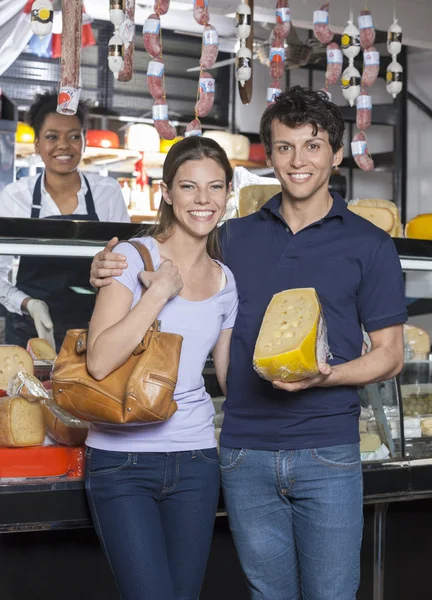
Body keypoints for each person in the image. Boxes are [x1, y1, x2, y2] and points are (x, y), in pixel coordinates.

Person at [89, 87, 407, 600]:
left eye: (313, 145)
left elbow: (391, 356)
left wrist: (328, 373)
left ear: (337, 155)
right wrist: (110, 265)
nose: (298, 161)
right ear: (270, 156)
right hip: (242, 454)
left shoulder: (370, 245)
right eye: (284, 147)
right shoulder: (231, 238)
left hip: (327, 453)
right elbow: (171, 251)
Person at [84, 136, 238, 600]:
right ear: (166, 193)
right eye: (189, 187)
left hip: (196, 460)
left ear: (228, 193)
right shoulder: (131, 258)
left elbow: (231, 382)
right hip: (121, 462)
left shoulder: (227, 280)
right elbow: (98, 360)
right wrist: (156, 293)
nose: (203, 200)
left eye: (215, 187)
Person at [0, 90, 130, 351]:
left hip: (93, 327)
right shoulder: (16, 196)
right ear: (37, 144)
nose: (63, 145)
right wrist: (29, 304)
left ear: (83, 141)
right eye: (52, 137)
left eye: (73, 136)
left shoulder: (107, 192)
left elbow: (126, 263)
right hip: (29, 329)